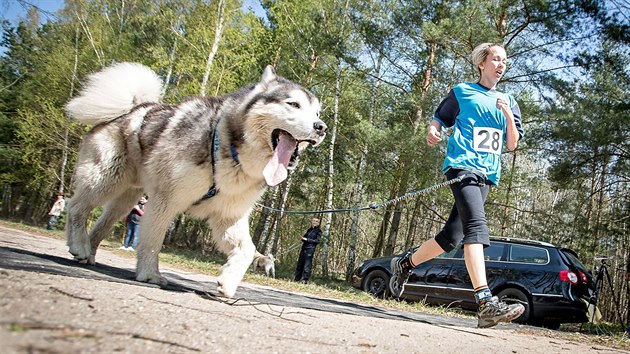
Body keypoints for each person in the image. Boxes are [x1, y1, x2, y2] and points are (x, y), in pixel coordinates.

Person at [391, 43, 525, 328]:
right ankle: (486, 302)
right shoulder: (463, 92)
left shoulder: (509, 100)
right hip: (462, 166)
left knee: (451, 237)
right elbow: (440, 119)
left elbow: (511, 144)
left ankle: (405, 264)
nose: (501, 64)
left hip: (487, 173)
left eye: (505, 61)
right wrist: (433, 131)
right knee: (477, 227)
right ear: (482, 63)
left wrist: (508, 117)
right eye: (496, 59)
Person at [294, 217, 322, 283]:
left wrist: (307, 240)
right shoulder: (309, 230)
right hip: (304, 248)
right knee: (300, 264)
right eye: (313, 221)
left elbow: (317, 241)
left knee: (307, 265)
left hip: (310, 249)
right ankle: (297, 279)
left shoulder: (319, 231)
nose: (314, 222)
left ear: (318, 223)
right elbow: (305, 237)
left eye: (316, 221)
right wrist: (302, 238)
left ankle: (305, 280)